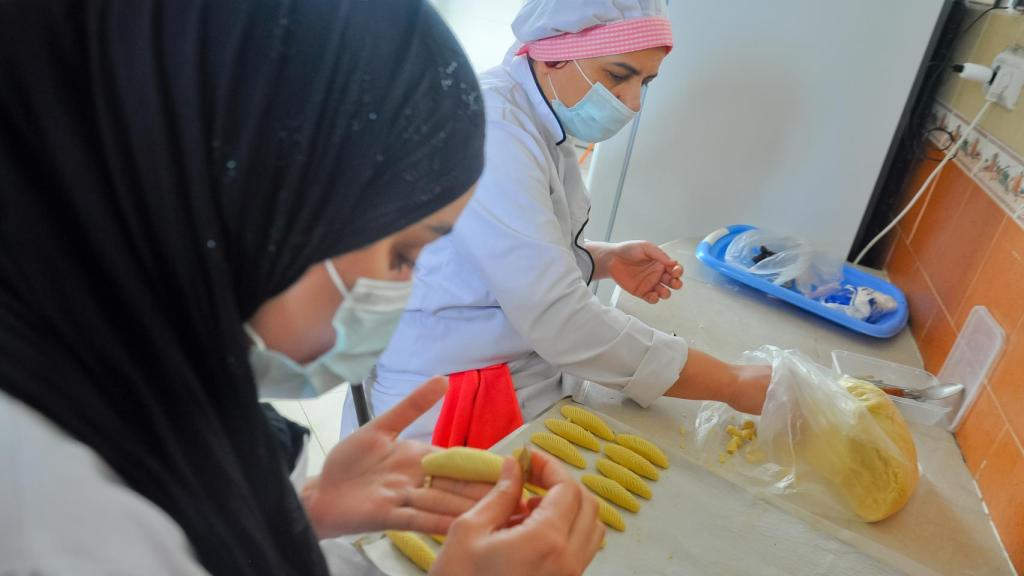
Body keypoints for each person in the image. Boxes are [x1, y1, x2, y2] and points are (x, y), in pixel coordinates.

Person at [0, 1, 602, 575]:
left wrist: (299, 513)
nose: (404, 292)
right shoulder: (49, 518)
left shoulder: (144, 370)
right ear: (252, 211)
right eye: (403, 253)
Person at [372, 0, 771, 447]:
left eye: (646, 81)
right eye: (618, 76)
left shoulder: (536, 117)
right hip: (450, 397)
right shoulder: (492, 131)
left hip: (510, 366)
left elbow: (495, 258)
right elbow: (561, 320)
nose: (633, 102)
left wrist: (602, 259)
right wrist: (732, 383)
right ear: (553, 53)